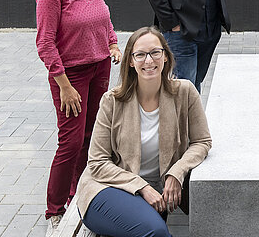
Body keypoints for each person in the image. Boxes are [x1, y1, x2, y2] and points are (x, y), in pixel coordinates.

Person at [75, 26, 212, 237]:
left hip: (156, 191)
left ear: (165, 56)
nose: (149, 61)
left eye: (155, 52)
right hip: (107, 188)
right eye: (140, 55)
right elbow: (97, 163)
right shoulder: (112, 101)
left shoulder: (184, 92)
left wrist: (177, 171)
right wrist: (141, 187)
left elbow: (202, 141)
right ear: (130, 61)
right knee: (156, 232)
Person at [35, 0, 122, 237]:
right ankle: (55, 211)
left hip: (100, 68)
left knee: (92, 137)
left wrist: (112, 43)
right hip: (69, 75)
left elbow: (103, 17)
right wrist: (64, 86)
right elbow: (44, 43)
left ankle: (80, 197)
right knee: (70, 143)